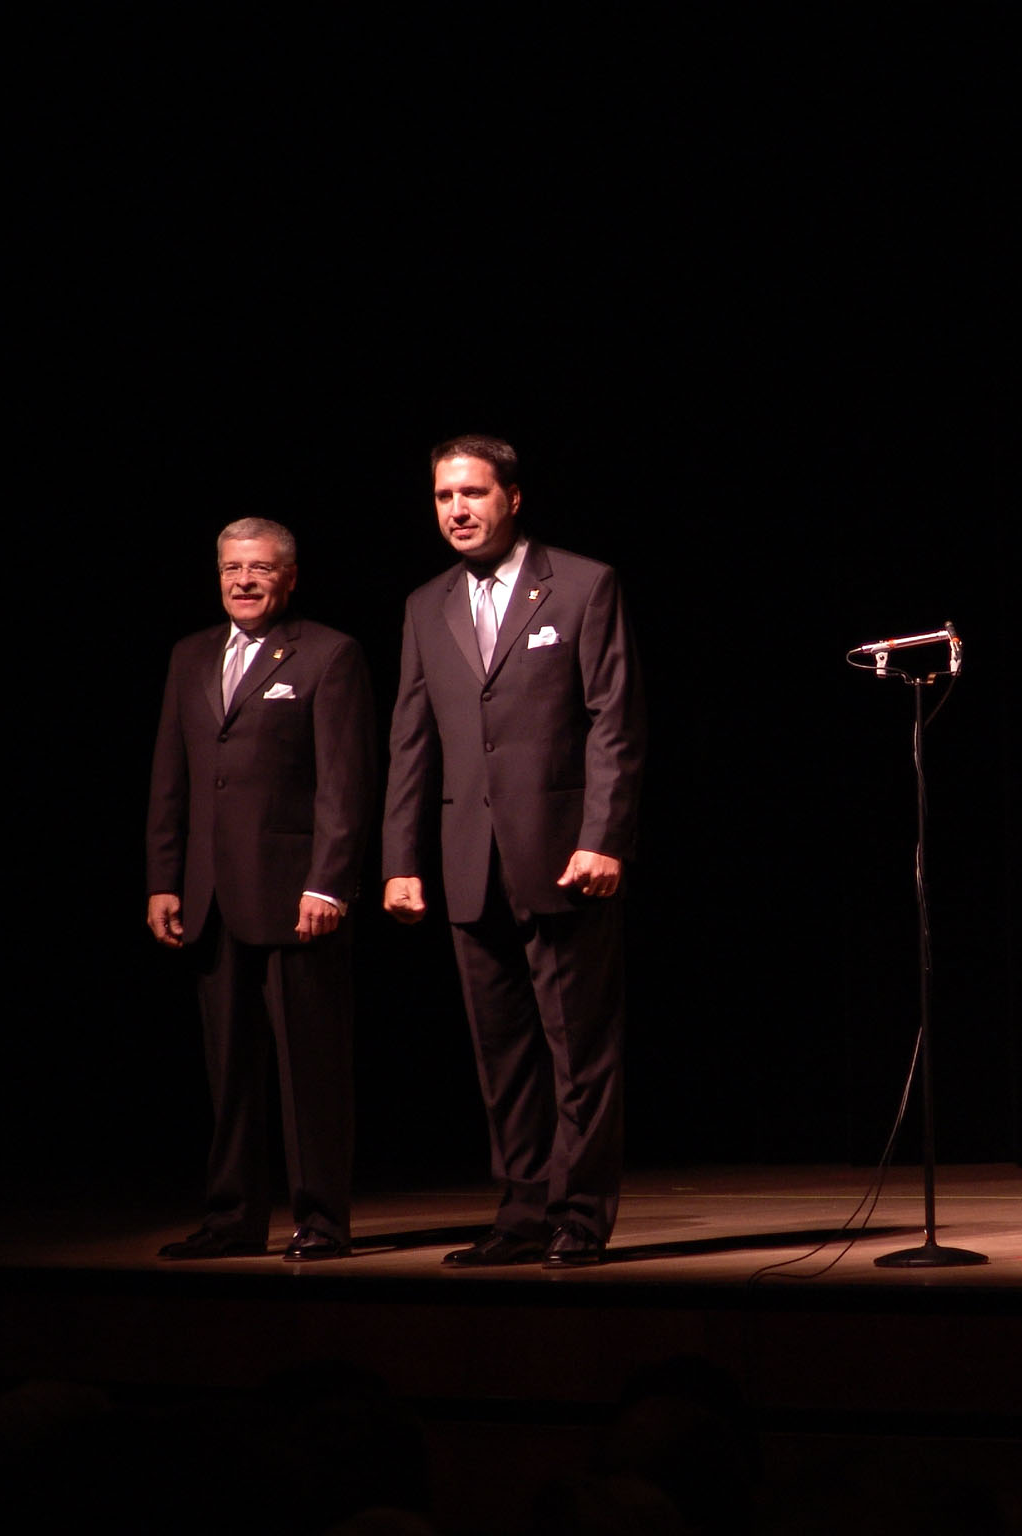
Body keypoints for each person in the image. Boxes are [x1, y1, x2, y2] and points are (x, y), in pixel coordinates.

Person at [382, 434, 646, 1267]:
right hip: (468, 860)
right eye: (443, 496)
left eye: (473, 493)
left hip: (563, 857)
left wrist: (603, 838)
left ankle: (579, 1216)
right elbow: (411, 741)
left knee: (579, 1053)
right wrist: (400, 860)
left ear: (513, 497)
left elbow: (614, 723)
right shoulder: (426, 604)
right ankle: (523, 1212)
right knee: (502, 1057)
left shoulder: (583, 584)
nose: (457, 510)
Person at [146, 517, 377, 1261]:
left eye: (260, 568)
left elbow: (345, 783)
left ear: (290, 577)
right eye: (231, 568)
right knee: (229, 1072)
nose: (243, 581)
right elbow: (171, 776)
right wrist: (165, 878)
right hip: (211, 898)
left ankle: (322, 1221)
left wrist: (330, 885)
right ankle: (233, 1219)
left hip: (295, 898)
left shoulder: (329, 653)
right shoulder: (190, 655)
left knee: (311, 1070)